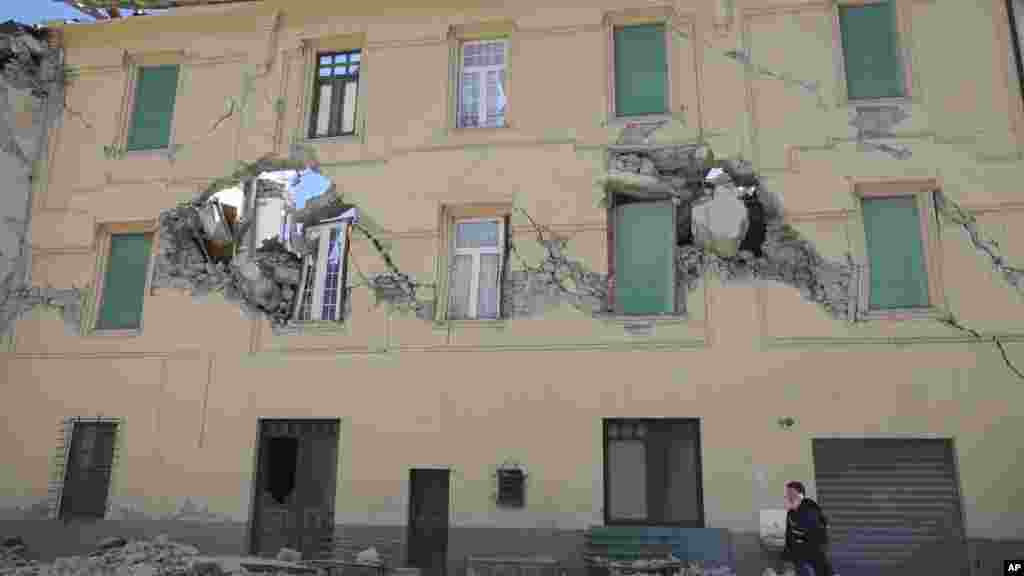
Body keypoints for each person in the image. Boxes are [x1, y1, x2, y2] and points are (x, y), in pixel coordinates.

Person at [781, 481, 833, 576]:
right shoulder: (791, 513)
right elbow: (789, 534)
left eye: (792, 494)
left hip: (815, 548)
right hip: (800, 551)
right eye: (788, 494)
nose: (788, 497)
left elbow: (817, 529)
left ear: (801, 495)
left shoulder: (810, 507)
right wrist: (786, 555)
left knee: (823, 570)